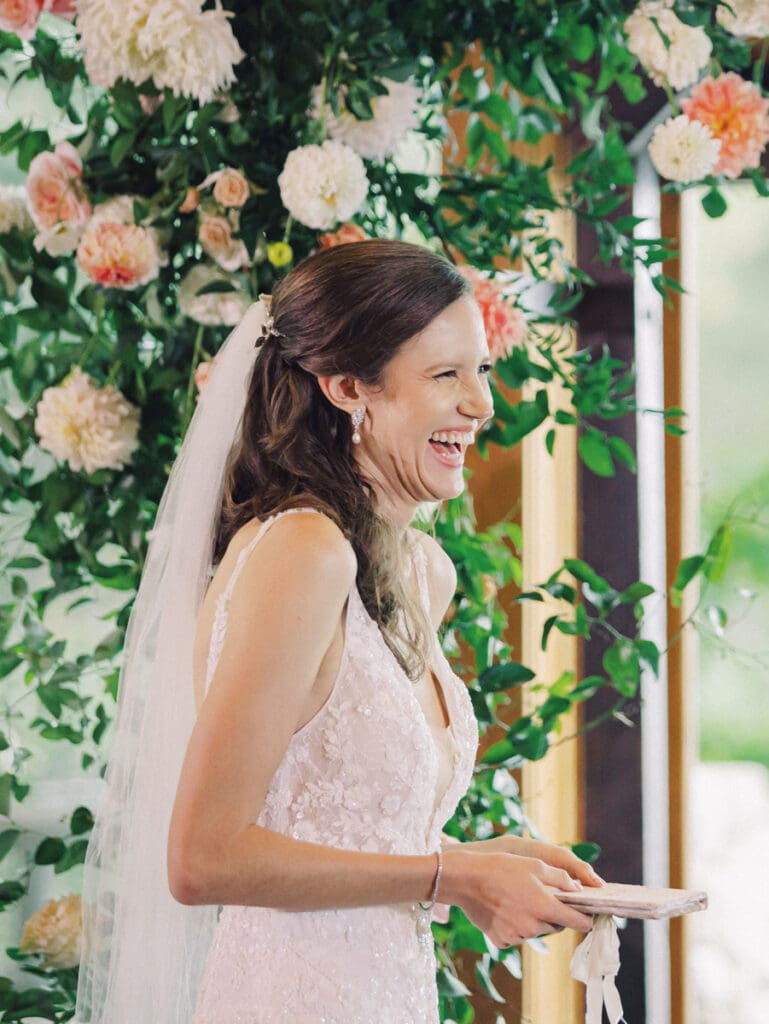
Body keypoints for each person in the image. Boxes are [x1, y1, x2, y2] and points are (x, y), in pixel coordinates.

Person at [75, 240, 601, 1024]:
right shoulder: (301, 551)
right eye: (444, 374)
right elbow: (201, 858)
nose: (482, 405)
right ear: (348, 386)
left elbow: (355, 831)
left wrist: (480, 865)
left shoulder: (424, 573)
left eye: (481, 371)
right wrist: (450, 878)